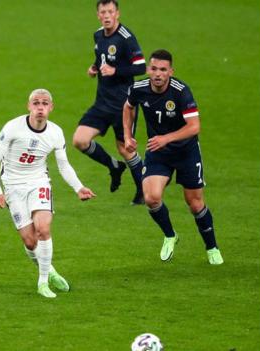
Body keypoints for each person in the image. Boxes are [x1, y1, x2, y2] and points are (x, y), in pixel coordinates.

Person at [0, 88, 96, 299]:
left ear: (51, 108)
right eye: (36, 103)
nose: (40, 107)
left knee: (43, 229)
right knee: (30, 241)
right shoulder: (12, 127)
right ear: (29, 106)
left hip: (39, 182)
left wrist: (78, 187)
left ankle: (42, 282)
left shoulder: (55, 132)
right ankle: (50, 270)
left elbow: (64, 166)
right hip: (13, 186)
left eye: (44, 103)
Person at [123, 49, 223, 265]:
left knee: (195, 204)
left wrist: (166, 138)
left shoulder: (181, 92)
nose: (158, 74)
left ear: (170, 71)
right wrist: (127, 134)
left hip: (186, 152)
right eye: (154, 69)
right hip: (158, 153)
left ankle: (212, 247)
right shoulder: (139, 88)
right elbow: (128, 107)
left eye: (163, 70)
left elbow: (194, 126)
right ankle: (170, 235)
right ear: (149, 69)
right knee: (151, 197)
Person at [72, 0, 146, 205]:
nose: (106, 15)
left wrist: (116, 71)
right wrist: (95, 68)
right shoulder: (98, 35)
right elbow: (102, 57)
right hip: (102, 103)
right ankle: (114, 166)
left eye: (110, 12)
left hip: (124, 105)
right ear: (98, 15)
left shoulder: (126, 38)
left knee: (126, 148)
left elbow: (141, 67)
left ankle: (142, 190)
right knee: (79, 140)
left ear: (117, 14)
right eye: (103, 12)